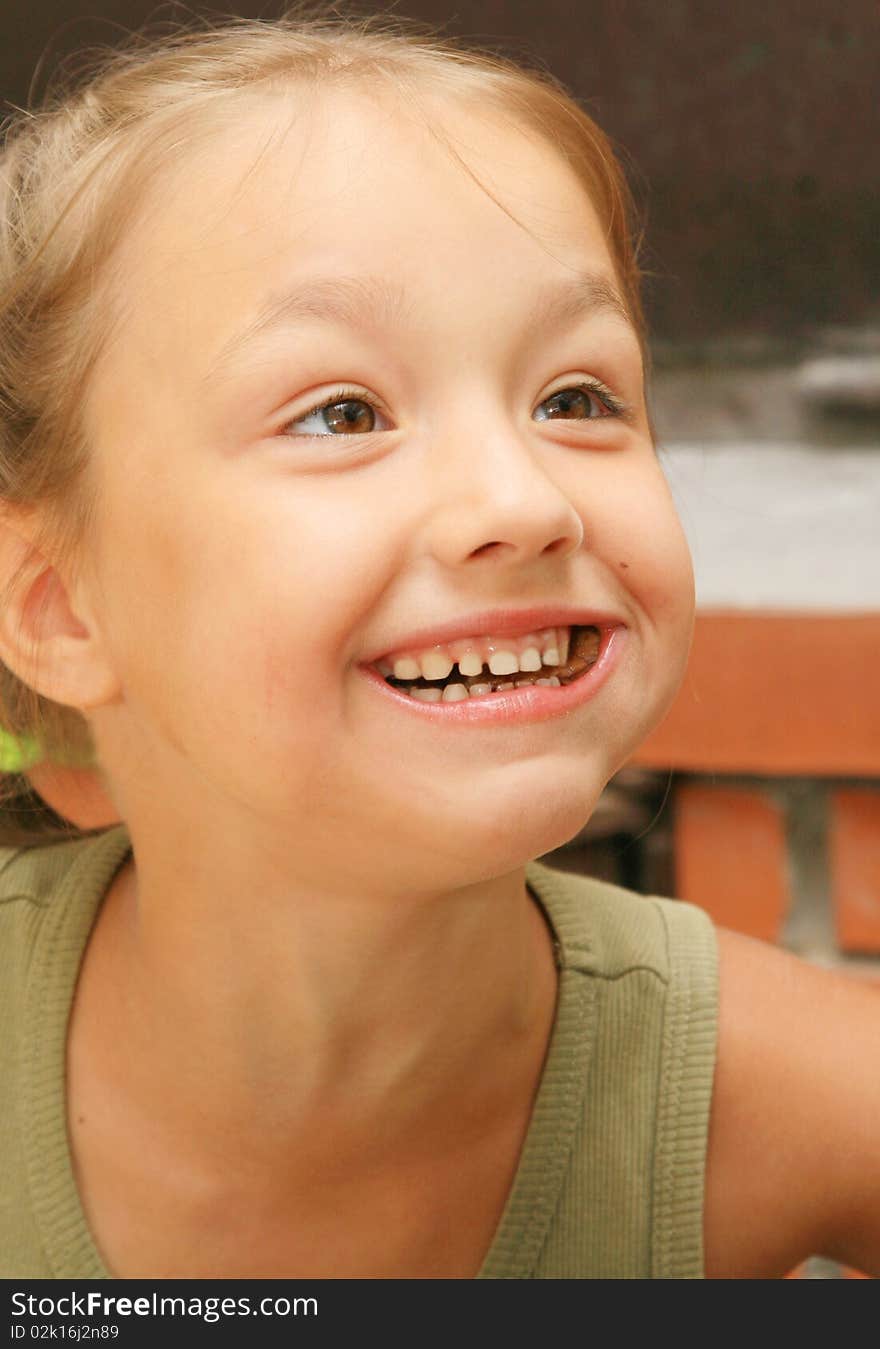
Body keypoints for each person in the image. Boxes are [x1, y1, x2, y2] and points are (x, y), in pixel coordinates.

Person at [0, 8, 877, 1281]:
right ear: (57, 608)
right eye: (341, 411)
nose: (525, 501)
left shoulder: (799, 1094)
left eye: (575, 398)